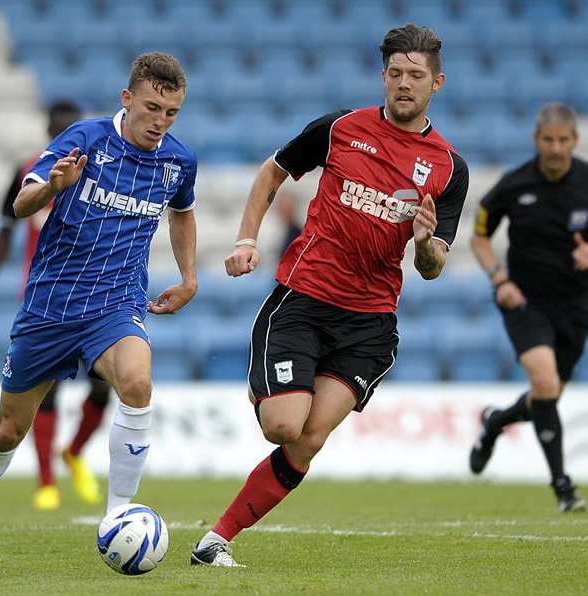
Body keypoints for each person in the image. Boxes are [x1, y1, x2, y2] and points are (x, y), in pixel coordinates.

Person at [190, 24, 469, 567]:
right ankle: (270, 388)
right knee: (283, 424)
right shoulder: (342, 128)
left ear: (437, 82)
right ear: (382, 75)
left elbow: (434, 266)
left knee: (306, 441)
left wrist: (424, 246)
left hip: (370, 321)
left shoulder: (448, 168)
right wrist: (247, 239)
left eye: (416, 75)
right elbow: (272, 172)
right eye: (395, 73)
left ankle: (216, 540)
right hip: (305, 299)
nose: (404, 84)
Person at [0, 51, 198, 572]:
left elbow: (182, 214)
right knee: (8, 430)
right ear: (127, 98)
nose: (159, 123)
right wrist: (53, 186)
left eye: (171, 114)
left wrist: (189, 277)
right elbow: (20, 205)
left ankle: (119, 514)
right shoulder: (85, 140)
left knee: (138, 384)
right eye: (150, 109)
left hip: (116, 304)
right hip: (51, 305)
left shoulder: (178, 161)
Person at [0, 99, 112, 511]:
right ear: (51, 129)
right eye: (62, 127)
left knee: (104, 389)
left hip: (93, 296)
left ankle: (73, 452)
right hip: (44, 294)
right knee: (44, 395)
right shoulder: (29, 171)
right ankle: (47, 481)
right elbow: (5, 229)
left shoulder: (100, 167)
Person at [468, 102, 587, 513]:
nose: (556, 148)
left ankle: (496, 422)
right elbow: (479, 236)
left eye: (564, 140)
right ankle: (563, 489)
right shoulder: (513, 185)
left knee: (546, 394)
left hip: (576, 304)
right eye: (548, 140)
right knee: (545, 383)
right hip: (525, 301)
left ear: (575, 141)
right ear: (536, 140)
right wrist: (499, 279)